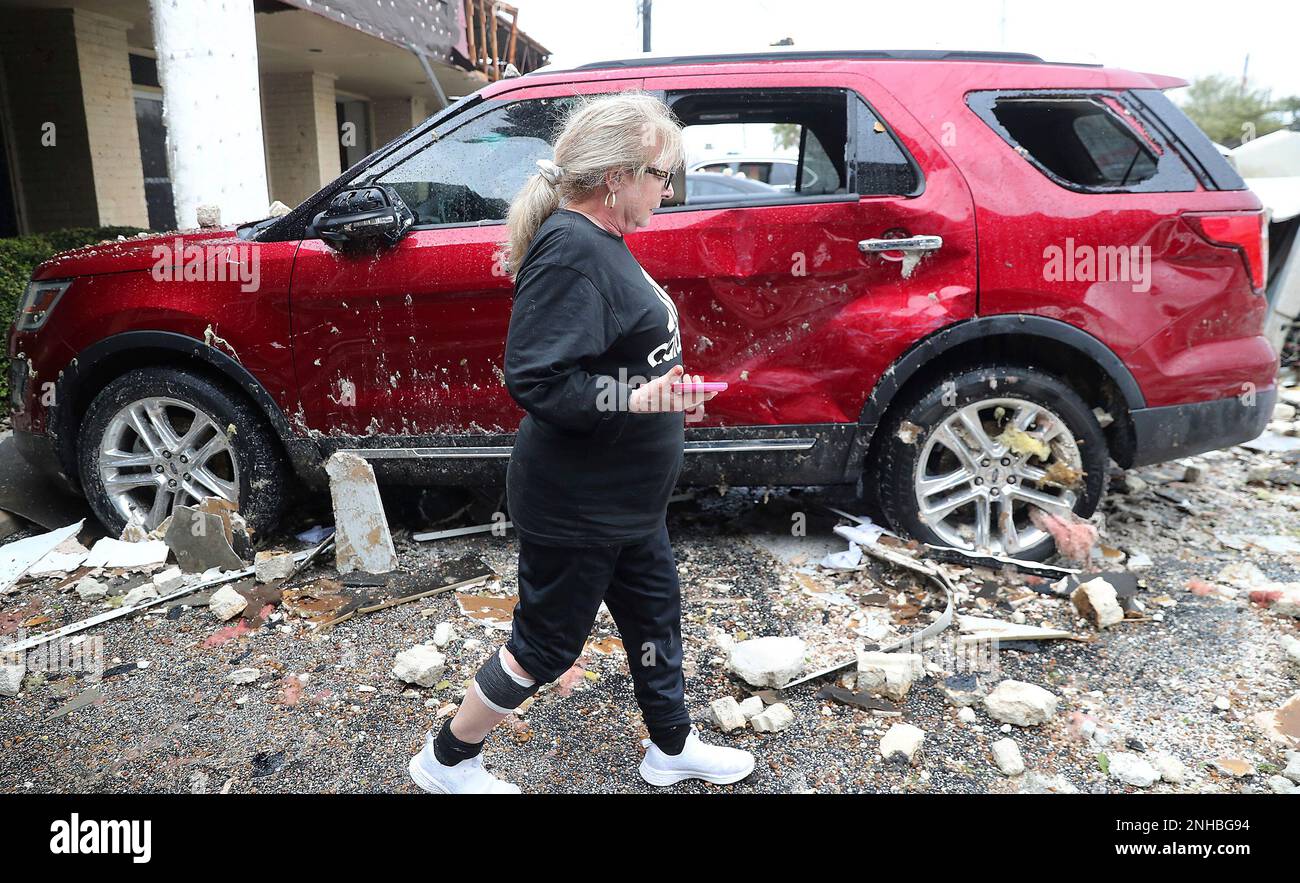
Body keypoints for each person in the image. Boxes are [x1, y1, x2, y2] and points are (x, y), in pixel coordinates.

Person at [408, 91, 756, 794]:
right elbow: (535, 379)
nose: (669, 189)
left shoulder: (602, 243)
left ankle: (672, 745)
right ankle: (446, 759)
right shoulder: (570, 252)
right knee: (545, 645)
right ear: (616, 177)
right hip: (577, 505)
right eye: (662, 174)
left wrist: (653, 389)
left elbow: (611, 358)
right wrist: (631, 398)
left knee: (656, 616)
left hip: (628, 502)